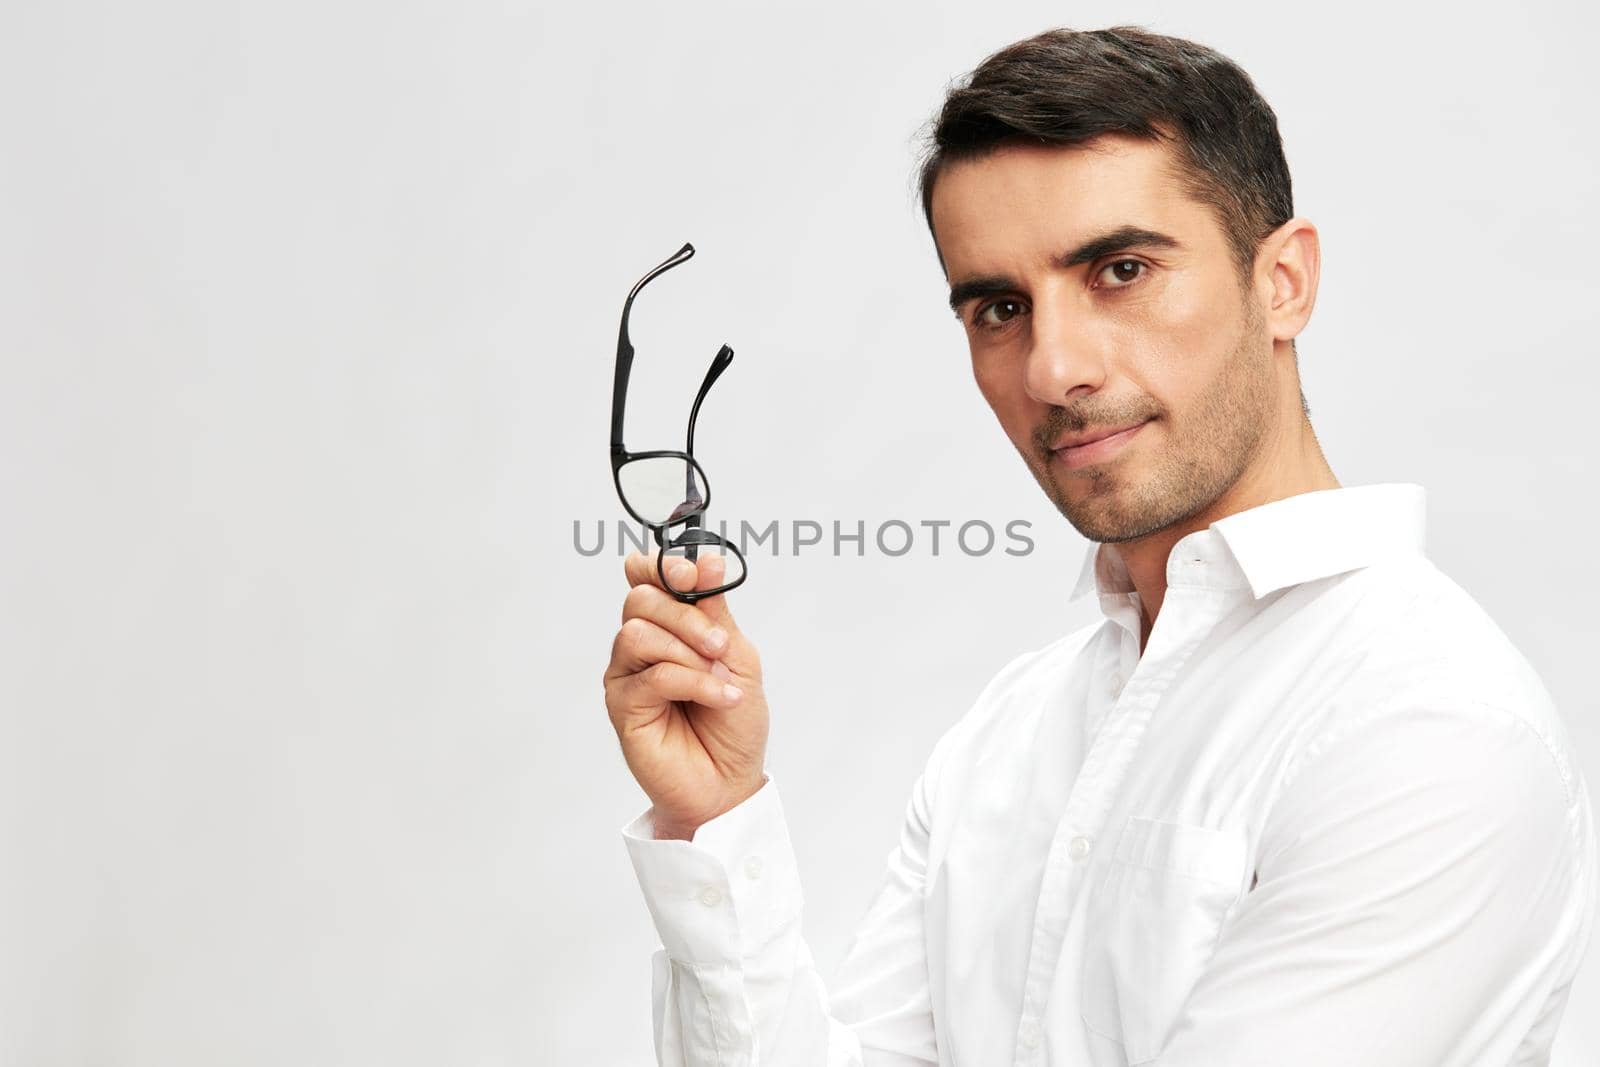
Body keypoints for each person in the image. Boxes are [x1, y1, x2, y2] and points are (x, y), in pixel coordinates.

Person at [601, 24, 1597, 1067]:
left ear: (1283, 282)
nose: (1051, 366)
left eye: (1121, 269)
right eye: (998, 307)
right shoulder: (1008, 735)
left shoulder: (1426, 725)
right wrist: (715, 818)